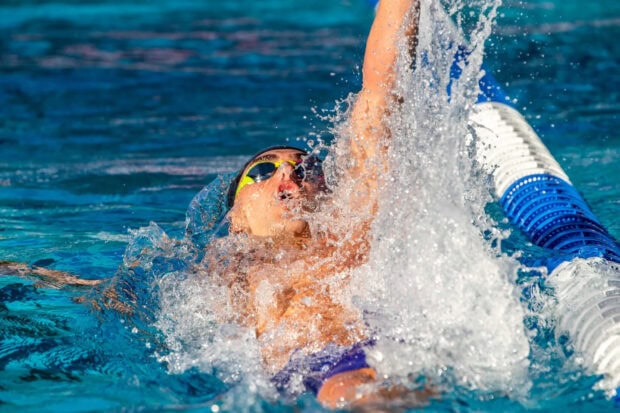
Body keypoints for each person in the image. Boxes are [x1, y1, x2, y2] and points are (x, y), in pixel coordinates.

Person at [1, 0, 425, 408]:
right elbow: (112, 295)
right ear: (236, 217)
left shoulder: (348, 234)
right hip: (259, 380)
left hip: (351, 362)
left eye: (307, 168)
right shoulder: (212, 272)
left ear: (328, 196)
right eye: (262, 171)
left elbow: (379, 91)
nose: (287, 175)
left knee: (351, 397)